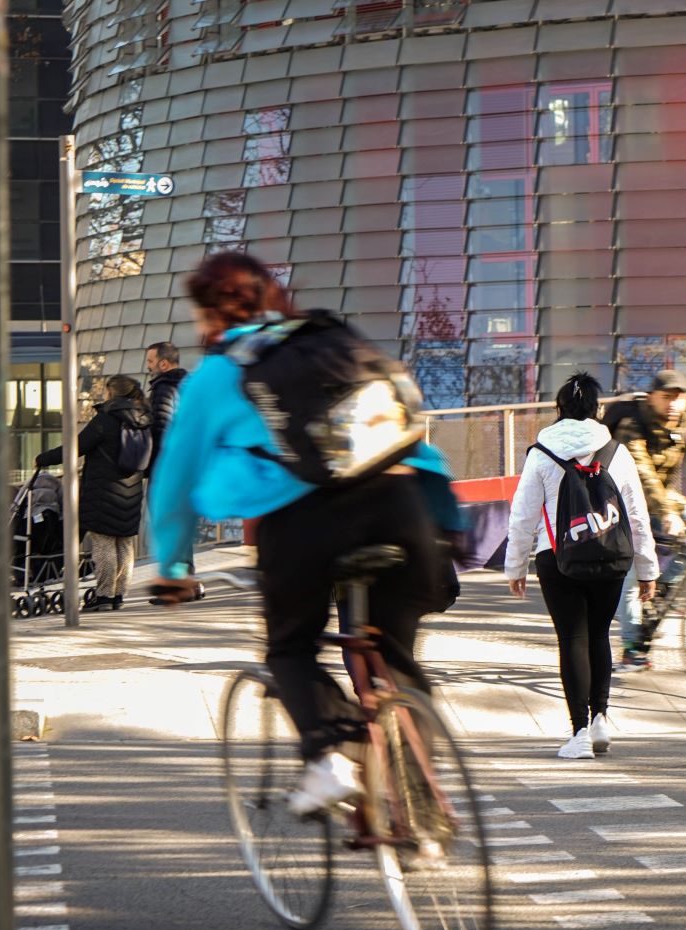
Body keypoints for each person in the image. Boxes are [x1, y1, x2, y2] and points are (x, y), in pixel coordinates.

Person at [148, 252, 463, 816]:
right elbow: (410, 431)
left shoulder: (222, 371)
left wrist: (174, 568)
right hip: (402, 506)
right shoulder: (335, 339)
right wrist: (447, 521)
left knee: (290, 647)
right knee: (396, 657)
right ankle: (422, 807)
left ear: (210, 315)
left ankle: (334, 753)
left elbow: (174, 479)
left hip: (305, 524)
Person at [504, 373, 659, 760]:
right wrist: (647, 569)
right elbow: (636, 514)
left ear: (559, 410)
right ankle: (601, 717)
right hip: (609, 555)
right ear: (597, 410)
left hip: (557, 558)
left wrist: (515, 566)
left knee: (572, 639)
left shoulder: (541, 453)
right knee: (599, 635)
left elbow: (523, 514)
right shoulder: (616, 452)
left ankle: (578, 735)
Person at [602, 368, 686, 672]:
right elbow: (643, 475)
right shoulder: (632, 425)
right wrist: (666, 514)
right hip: (619, 499)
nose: (673, 404)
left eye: (679, 398)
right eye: (666, 397)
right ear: (651, 397)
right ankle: (632, 648)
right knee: (631, 576)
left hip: (661, 496)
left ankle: (663, 588)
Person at [37, 374, 153, 612]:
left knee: (103, 542)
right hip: (132, 490)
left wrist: (44, 459)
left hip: (104, 490)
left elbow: (75, 447)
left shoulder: (106, 420)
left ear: (112, 393)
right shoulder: (143, 419)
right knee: (124, 543)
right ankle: (119, 595)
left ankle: (103, 596)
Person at [145, 341, 185, 461]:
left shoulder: (164, 388)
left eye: (150, 361)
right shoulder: (188, 385)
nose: (148, 366)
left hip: (165, 460)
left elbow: (161, 427)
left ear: (163, 364)